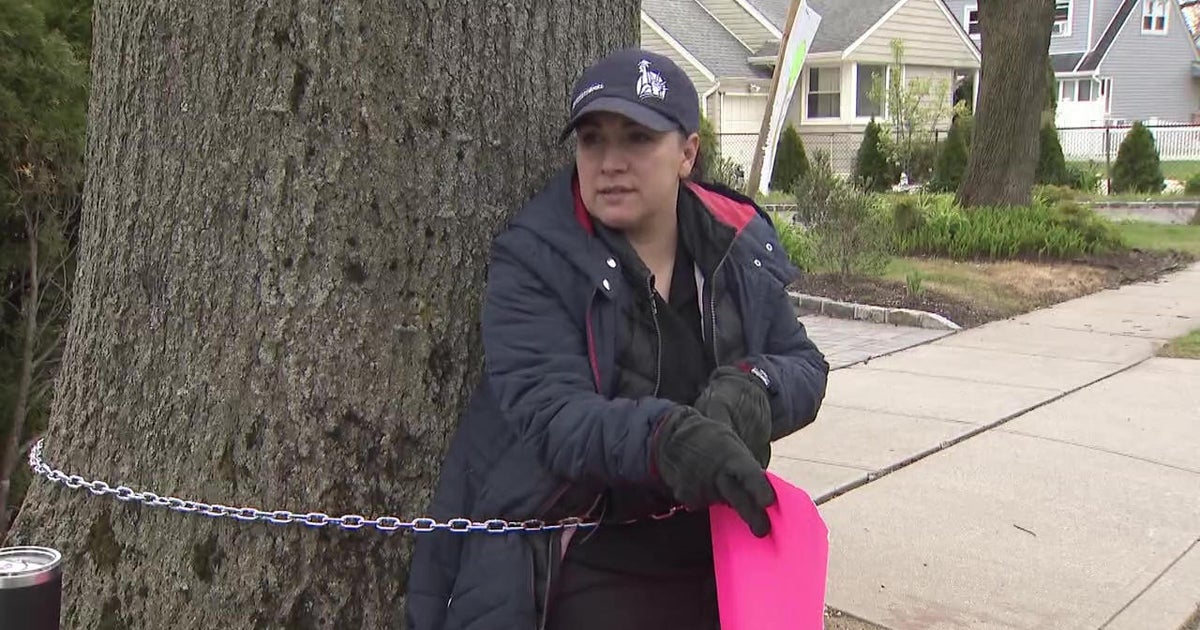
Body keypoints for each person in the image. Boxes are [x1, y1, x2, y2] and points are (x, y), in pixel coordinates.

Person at [405, 48, 829, 630]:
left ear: (687, 153)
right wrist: (666, 441)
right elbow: (553, 414)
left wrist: (754, 387)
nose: (610, 162)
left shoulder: (737, 243)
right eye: (592, 140)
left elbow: (803, 363)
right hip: (580, 543)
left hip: (721, 542)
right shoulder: (536, 256)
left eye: (637, 138)